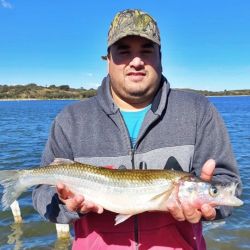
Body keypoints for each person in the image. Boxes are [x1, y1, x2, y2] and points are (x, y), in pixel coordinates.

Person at [33, 9, 242, 250]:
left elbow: (228, 187)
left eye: (146, 50)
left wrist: (209, 207)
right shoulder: (70, 120)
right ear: (108, 60)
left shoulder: (198, 110)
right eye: (123, 51)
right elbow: (41, 196)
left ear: (160, 57)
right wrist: (66, 206)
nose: (136, 61)